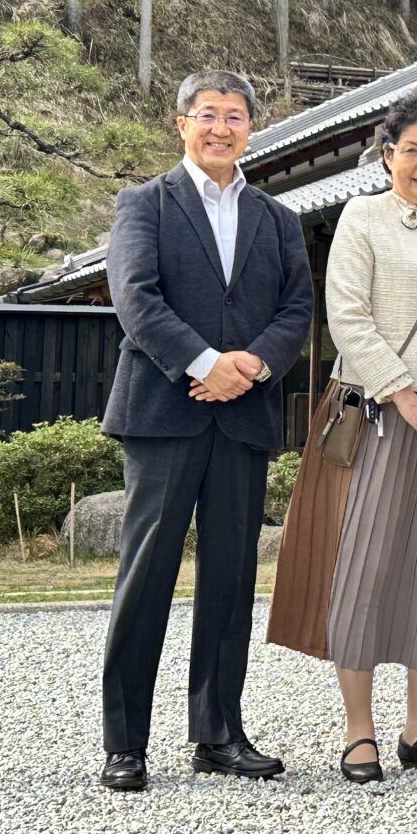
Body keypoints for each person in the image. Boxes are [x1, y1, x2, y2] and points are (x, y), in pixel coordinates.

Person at [266, 93, 417, 781]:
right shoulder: (362, 217)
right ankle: (359, 731)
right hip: (377, 413)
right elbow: (346, 316)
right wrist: (405, 395)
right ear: (388, 156)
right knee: (364, 565)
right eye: (412, 150)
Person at [98, 70, 313, 793]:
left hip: (244, 412)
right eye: (209, 115)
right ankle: (125, 744)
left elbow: (296, 310)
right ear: (180, 123)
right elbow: (135, 297)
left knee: (229, 579)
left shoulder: (277, 219)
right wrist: (203, 363)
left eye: (236, 116)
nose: (222, 128)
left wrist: (250, 366)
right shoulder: (145, 204)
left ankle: (218, 733)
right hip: (164, 410)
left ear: (252, 127)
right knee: (148, 575)